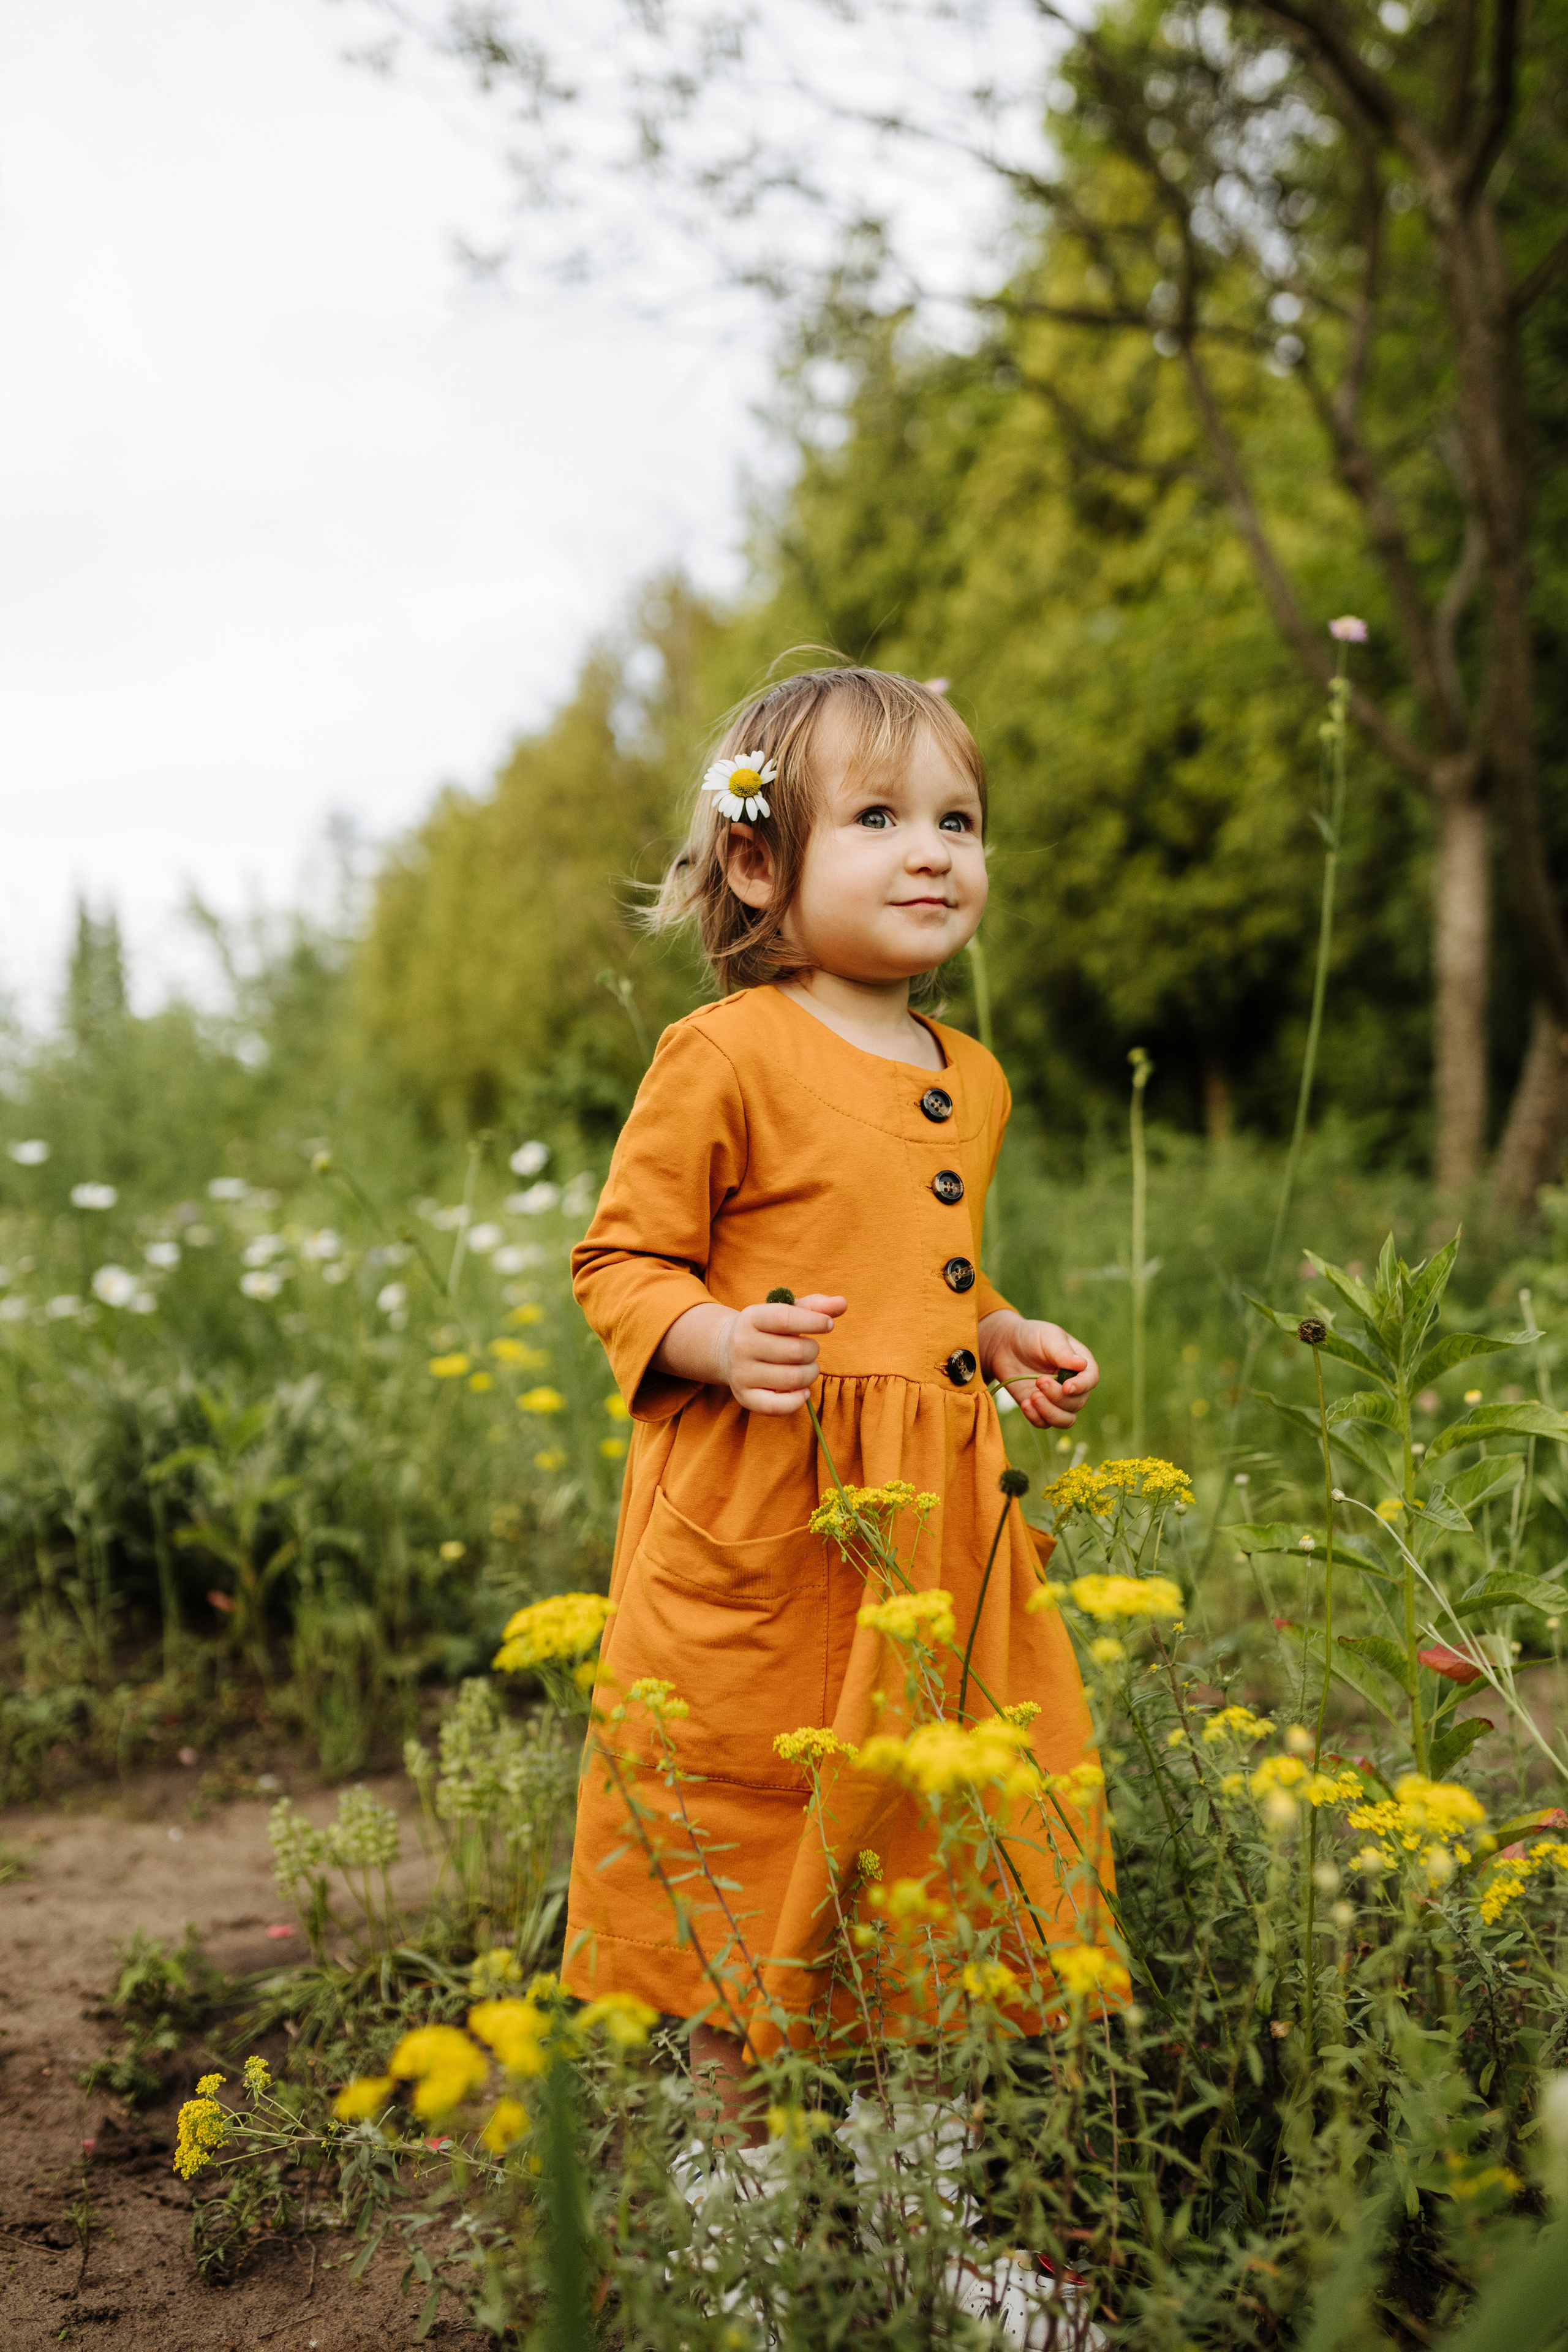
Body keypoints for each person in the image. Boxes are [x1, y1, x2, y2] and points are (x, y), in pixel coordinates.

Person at [563, 663, 1107, 2127]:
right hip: (772, 1522)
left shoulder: (970, 1075)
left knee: (935, 1836)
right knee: (758, 1837)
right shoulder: (725, 1052)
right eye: (877, 816)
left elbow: (921, 1272)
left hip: (933, 1530)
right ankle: (737, 2211)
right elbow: (620, 1261)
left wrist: (997, 1332)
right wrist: (716, 1340)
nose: (933, 849)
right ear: (757, 857)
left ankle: (914, 2210)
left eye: (958, 818)